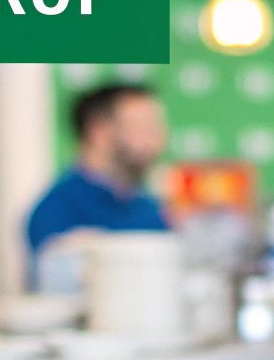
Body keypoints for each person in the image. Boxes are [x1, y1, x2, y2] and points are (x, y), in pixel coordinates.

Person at [26, 83, 170, 258]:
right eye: (144, 127)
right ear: (99, 131)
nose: (158, 140)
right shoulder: (57, 209)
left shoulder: (150, 207)